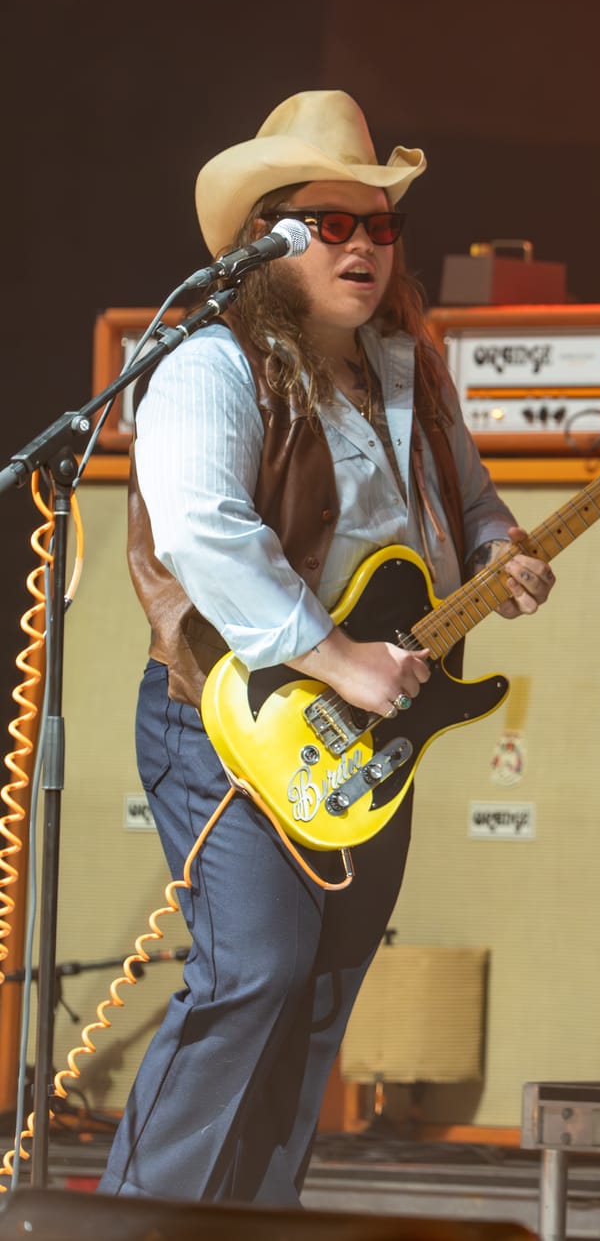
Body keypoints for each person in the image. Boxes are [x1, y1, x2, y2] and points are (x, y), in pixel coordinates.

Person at [105, 90, 555, 1201]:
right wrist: (340, 656)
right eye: (331, 222)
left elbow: (471, 502)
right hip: (230, 717)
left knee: (316, 999)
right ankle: (135, 1225)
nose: (365, 246)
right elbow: (204, 531)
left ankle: (252, 1224)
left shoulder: (409, 364)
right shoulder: (210, 361)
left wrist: (497, 552)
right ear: (267, 239)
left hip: (366, 732)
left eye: (381, 224)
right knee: (254, 972)